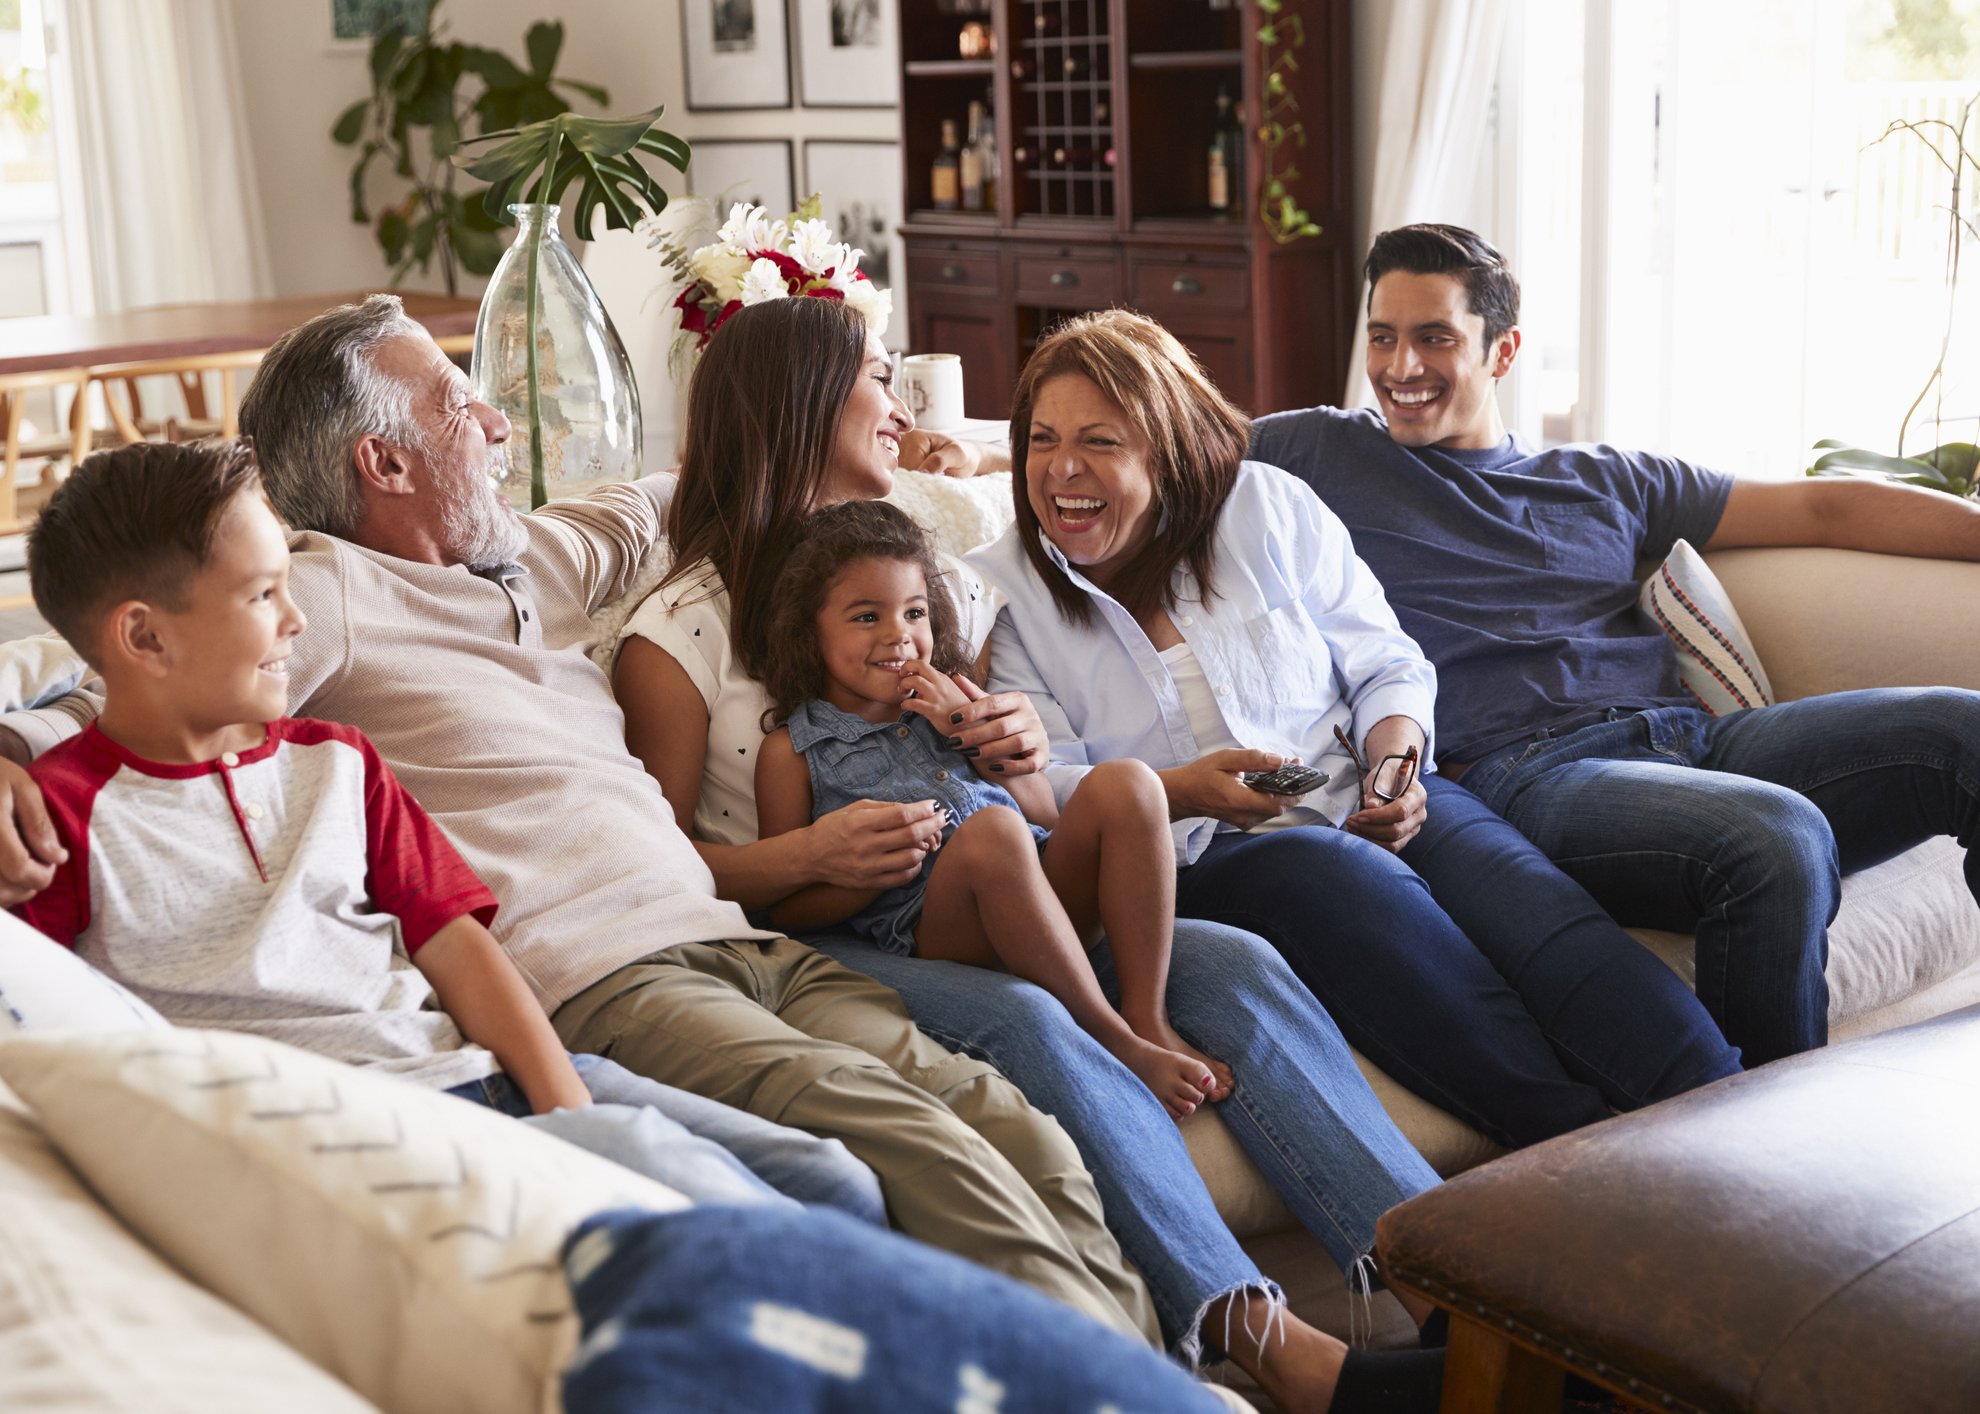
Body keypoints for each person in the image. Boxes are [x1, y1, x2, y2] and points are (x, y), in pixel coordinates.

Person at [0, 294, 1162, 1351]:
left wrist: (902, 449)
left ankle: (1164, 1376)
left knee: (1010, 1122)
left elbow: (673, 492)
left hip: (737, 939)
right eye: (464, 407)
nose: (502, 423)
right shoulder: (331, 589)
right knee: (908, 1139)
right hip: (604, 977)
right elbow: (130, 679)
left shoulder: (531, 564)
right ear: (385, 465)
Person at [614, 295, 1448, 1414]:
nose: (900, 399)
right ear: (804, 406)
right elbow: (654, 869)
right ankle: (1269, 1347)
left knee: (1236, 964)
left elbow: (1020, 802)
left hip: (998, 873)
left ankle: (1457, 1295)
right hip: (832, 926)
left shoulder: (940, 584)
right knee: (1028, 1020)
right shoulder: (680, 633)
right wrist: (808, 851)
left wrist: (1015, 760)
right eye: (876, 375)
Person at [970, 309, 1743, 1153]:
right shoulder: (1004, 597)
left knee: (1549, 927)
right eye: (1040, 440)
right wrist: (1180, 789)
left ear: (1165, 444)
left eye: (1099, 442)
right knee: (1338, 881)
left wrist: (1395, 769)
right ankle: (1584, 1157)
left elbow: (1387, 662)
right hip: (1196, 857)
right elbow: (1047, 793)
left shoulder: (1262, 508)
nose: (1062, 470)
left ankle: (1732, 1125)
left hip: (1365, 792)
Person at [1248, 222, 1980, 1067]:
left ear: (1500, 352)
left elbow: (1821, 509)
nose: (1399, 368)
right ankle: (1773, 1169)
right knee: (1774, 836)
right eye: (1382, 336)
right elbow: (1158, 448)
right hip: (1528, 776)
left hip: (1698, 741)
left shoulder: (1606, 478)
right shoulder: (1313, 449)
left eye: (1434, 338)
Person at [13, 437, 804, 1212]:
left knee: (826, 1178)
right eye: (262, 595)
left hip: (485, 1069)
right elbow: (42, 1032)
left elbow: (457, 945)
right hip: (365, 1135)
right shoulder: (59, 817)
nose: (295, 620)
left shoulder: (338, 761)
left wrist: (568, 1112)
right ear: (145, 637)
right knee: (733, 1222)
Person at [752, 500, 1225, 1116]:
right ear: (808, 631)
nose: (899, 635)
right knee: (992, 831)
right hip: (942, 930)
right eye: (866, 617)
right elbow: (786, 909)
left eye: (914, 612)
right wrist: (865, 878)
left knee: (1129, 783)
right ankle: (1113, 1040)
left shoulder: (959, 701)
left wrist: (971, 731)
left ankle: (1146, 1015)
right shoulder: (791, 750)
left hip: (1041, 894)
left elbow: (1043, 815)